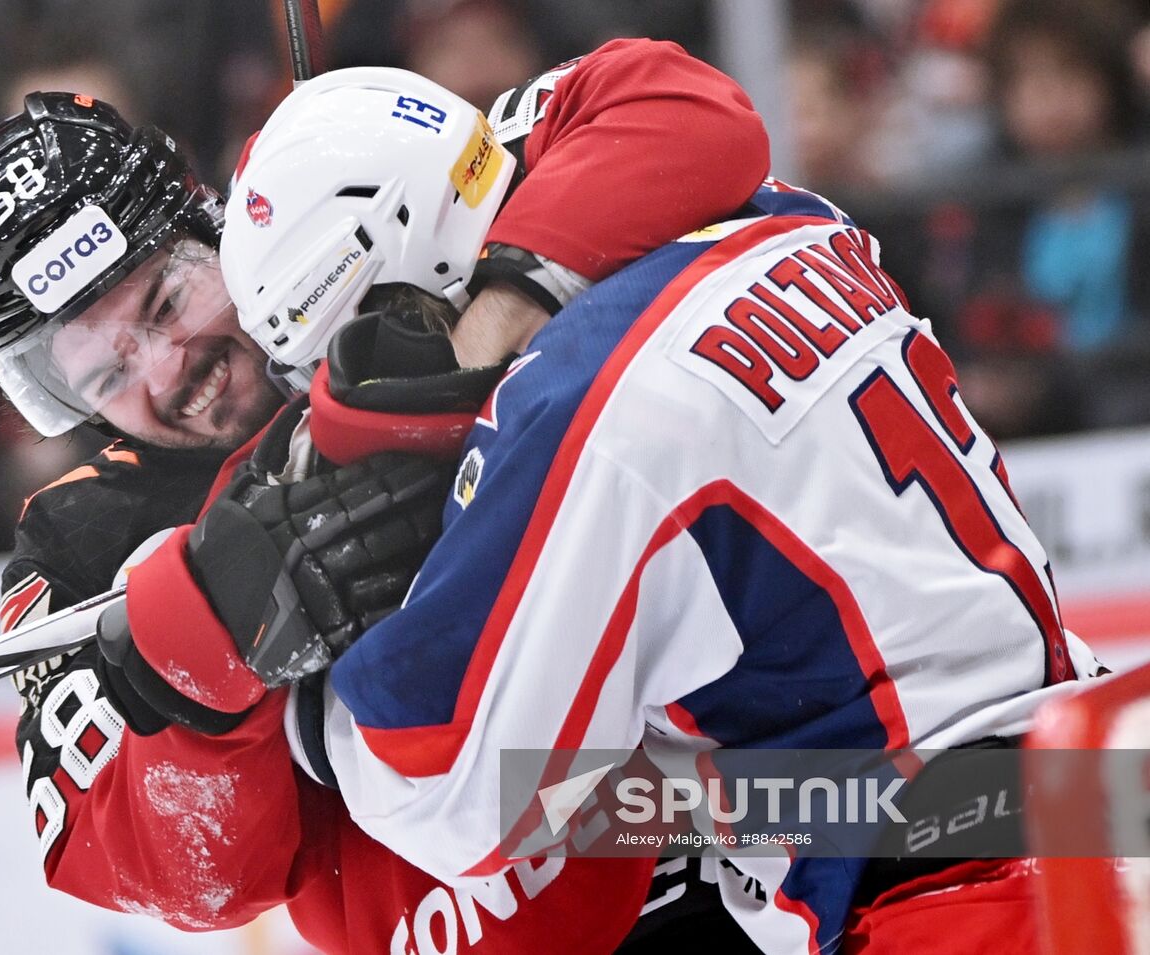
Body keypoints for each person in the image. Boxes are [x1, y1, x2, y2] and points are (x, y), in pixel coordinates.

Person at [117, 58, 1112, 955]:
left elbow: (448, 795)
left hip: (962, 897)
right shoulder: (773, 210)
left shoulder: (568, 409)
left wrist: (280, 660)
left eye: (332, 365)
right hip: (1089, 796)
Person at [0, 37, 772, 953]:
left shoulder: (352, 199)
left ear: (212, 228)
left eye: (167, 303)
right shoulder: (83, 539)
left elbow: (687, 109)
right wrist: (209, 653)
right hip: (514, 907)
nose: (170, 369)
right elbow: (173, 874)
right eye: (105, 373)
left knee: (936, 817)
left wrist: (491, 323)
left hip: (750, 802)